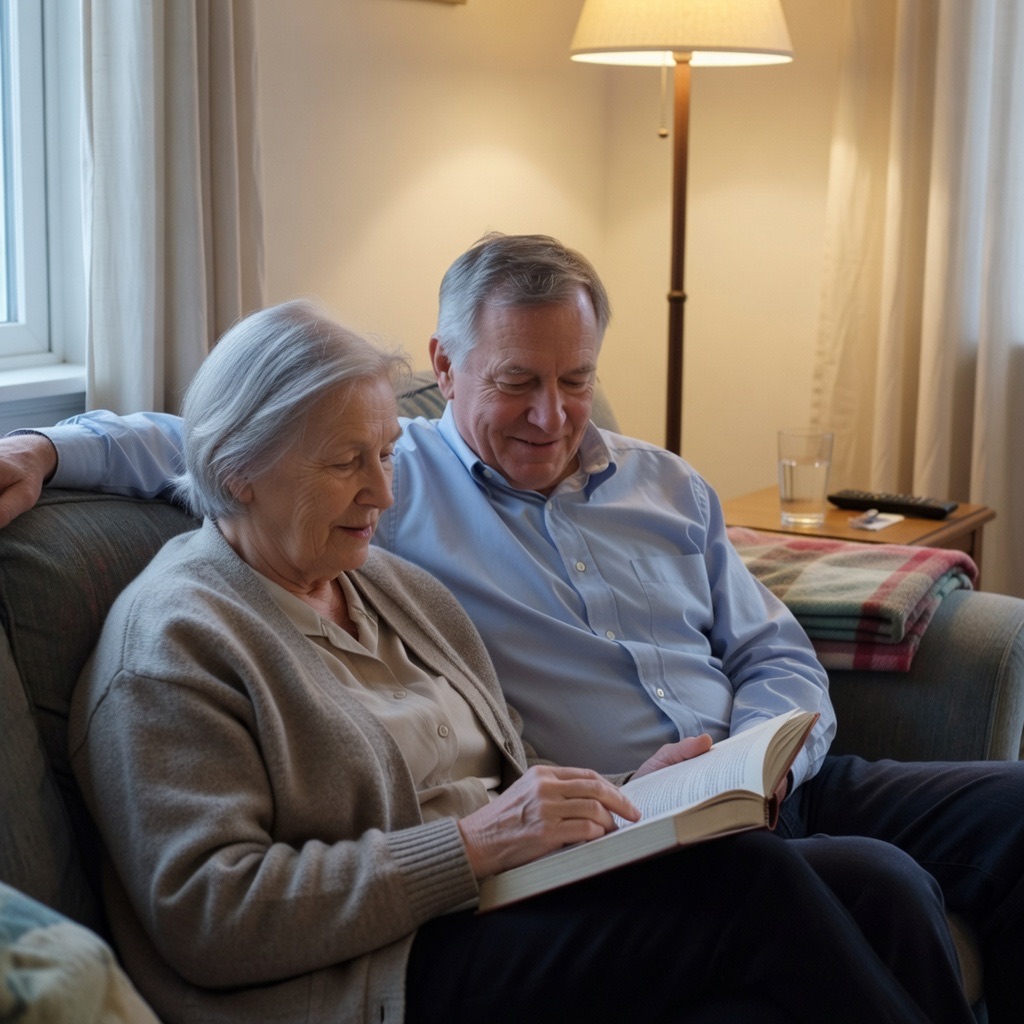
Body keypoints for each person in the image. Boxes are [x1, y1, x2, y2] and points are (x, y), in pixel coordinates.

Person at [2, 235, 1022, 1015]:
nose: (379, 486)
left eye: (573, 381)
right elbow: (209, 917)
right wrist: (46, 448)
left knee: (882, 881)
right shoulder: (177, 643)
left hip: (601, 841)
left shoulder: (387, 582)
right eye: (350, 462)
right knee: (752, 887)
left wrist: (679, 781)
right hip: (384, 964)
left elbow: (533, 763)